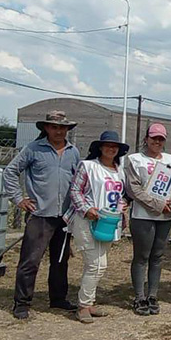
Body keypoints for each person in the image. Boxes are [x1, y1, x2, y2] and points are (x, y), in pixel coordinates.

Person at [4, 111, 81, 320]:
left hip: (64, 216)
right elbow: (10, 171)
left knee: (60, 260)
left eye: (63, 127)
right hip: (40, 214)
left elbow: (78, 179)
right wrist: (18, 198)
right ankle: (22, 302)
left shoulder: (73, 152)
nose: (59, 131)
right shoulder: (33, 149)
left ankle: (58, 298)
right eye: (54, 127)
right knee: (31, 260)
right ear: (46, 128)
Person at [66, 131, 129, 324]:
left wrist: (123, 204)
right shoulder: (88, 166)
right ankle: (83, 306)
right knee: (95, 264)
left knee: (99, 264)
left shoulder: (120, 171)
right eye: (108, 145)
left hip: (108, 222)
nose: (111, 149)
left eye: (115, 146)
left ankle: (89, 302)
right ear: (100, 147)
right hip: (87, 221)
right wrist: (86, 209)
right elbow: (75, 190)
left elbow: (121, 195)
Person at [125, 123, 171, 316]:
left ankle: (152, 295)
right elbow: (134, 189)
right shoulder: (135, 160)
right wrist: (157, 205)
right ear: (146, 139)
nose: (157, 142)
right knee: (142, 256)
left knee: (157, 256)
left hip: (165, 217)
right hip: (143, 215)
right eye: (154, 138)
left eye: (161, 139)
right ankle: (139, 296)